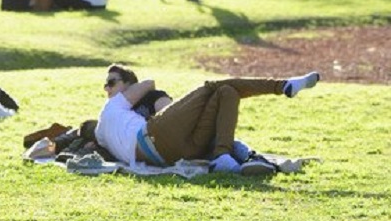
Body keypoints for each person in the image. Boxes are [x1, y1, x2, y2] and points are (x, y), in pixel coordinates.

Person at [95, 65, 320, 174]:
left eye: (112, 82)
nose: (106, 88)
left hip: (174, 152)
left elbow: (153, 90)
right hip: (153, 141)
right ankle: (283, 86)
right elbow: (148, 83)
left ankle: (223, 156)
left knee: (227, 92)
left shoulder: (118, 113)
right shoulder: (109, 109)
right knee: (209, 87)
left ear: (127, 85)